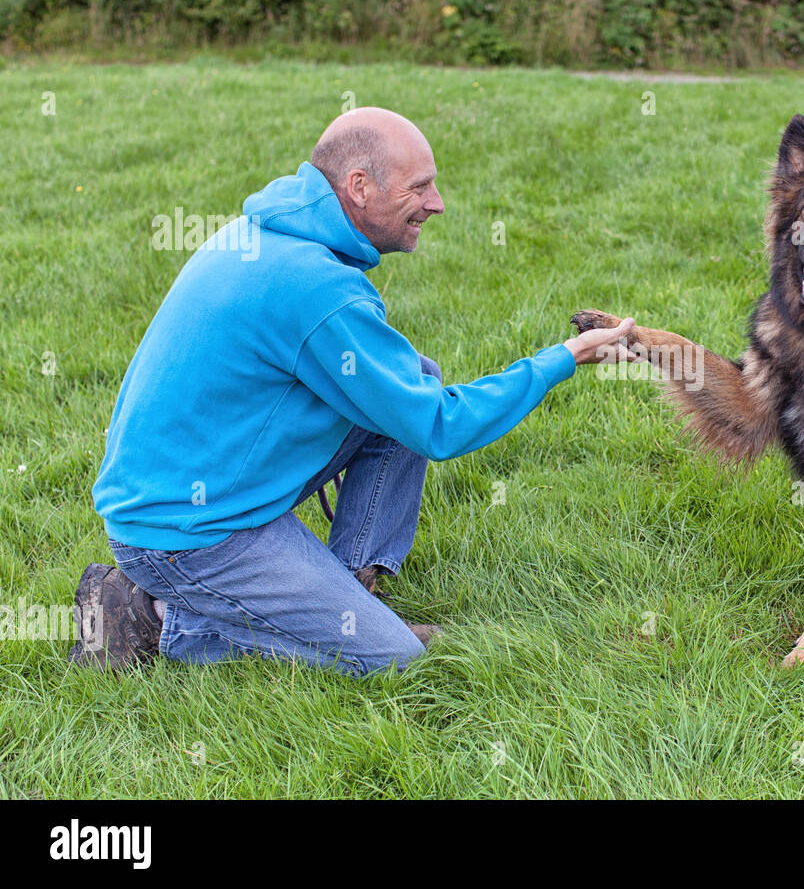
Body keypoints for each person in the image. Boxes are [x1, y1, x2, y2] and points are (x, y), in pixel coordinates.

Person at [73, 107, 633, 676]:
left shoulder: (272, 232)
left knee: (412, 376)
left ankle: (351, 584)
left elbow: (407, 399)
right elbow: (438, 426)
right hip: (187, 532)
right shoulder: (315, 286)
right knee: (390, 656)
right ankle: (149, 612)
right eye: (419, 187)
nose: (437, 203)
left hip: (208, 483)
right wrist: (564, 358)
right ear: (359, 187)